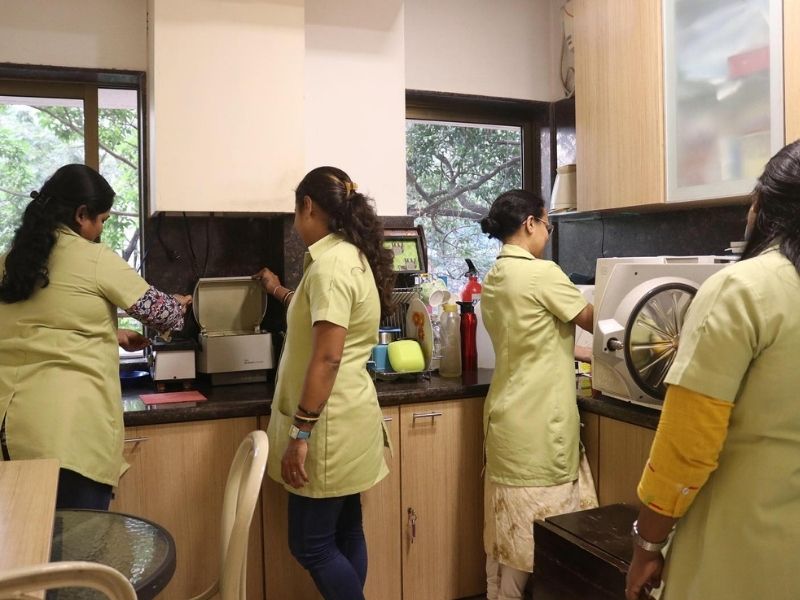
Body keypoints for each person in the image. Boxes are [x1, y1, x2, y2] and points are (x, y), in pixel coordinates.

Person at [625, 140, 800, 600]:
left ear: (764, 206)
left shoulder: (743, 288)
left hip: (741, 553)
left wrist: (648, 543)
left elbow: (686, 449)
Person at [0, 164, 191, 510]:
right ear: (81, 214)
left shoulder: (10, 262)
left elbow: (35, 328)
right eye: (101, 219)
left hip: (9, 435)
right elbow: (164, 313)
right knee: (78, 557)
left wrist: (110, 333)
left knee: (27, 554)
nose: (101, 229)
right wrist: (179, 304)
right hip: (66, 436)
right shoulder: (95, 259)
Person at [253, 166, 395, 600]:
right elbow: (317, 317)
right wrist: (278, 290)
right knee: (347, 529)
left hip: (328, 426)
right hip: (350, 417)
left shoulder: (331, 265)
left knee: (310, 544)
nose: (295, 223)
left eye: (295, 213)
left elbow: (328, 356)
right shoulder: (349, 258)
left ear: (308, 207)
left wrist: (301, 432)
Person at [478, 189, 597, 600]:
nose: (547, 234)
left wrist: (582, 353)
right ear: (530, 223)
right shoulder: (541, 273)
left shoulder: (496, 276)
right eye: (547, 225)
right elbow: (595, 319)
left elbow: (534, 337)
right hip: (539, 429)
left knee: (503, 539)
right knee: (530, 549)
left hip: (506, 421)